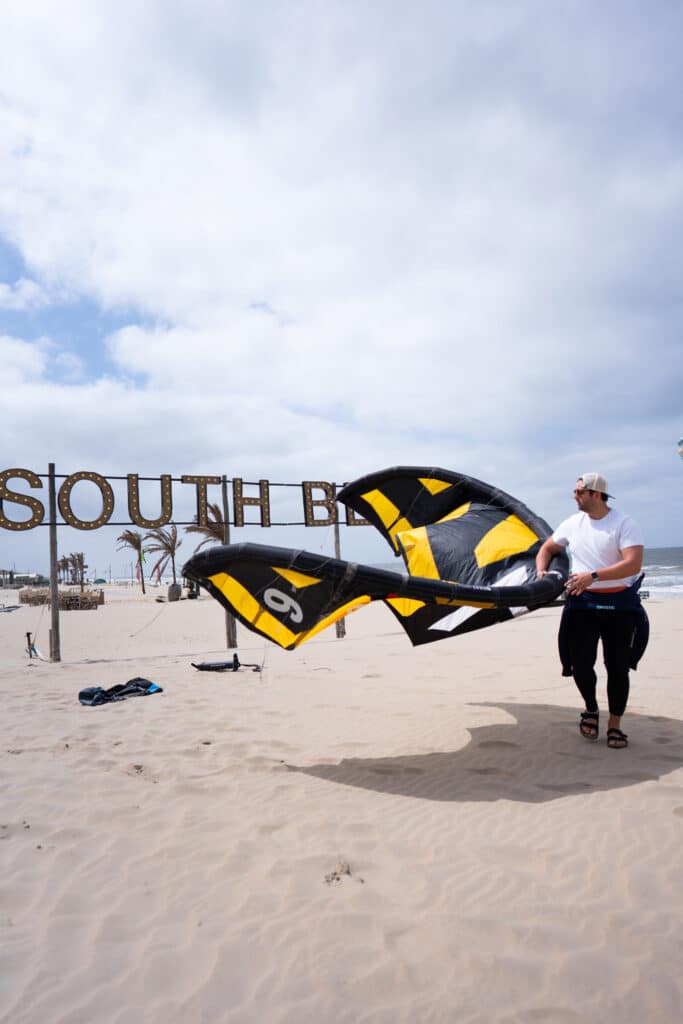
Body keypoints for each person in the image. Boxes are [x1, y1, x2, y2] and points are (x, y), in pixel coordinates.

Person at [535, 472, 644, 749]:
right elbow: (546, 548)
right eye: (575, 491)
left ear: (596, 494)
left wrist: (592, 576)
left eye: (579, 492)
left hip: (620, 606)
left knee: (617, 668)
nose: (575, 496)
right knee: (581, 665)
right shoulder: (573, 523)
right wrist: (541, 572)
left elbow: (633, 565)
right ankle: (591, 709)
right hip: (582, 605)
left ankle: (615, 725)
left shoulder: (624, 523)